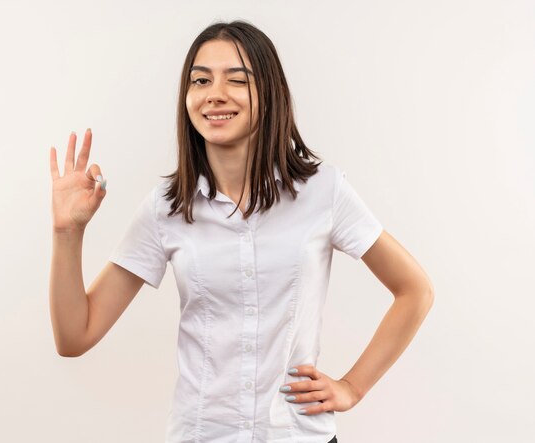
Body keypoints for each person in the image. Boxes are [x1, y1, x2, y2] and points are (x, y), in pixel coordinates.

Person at [49, 20, 434, 443]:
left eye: (237, 80)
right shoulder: (166, 206)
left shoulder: (324, 192)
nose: (215, 93)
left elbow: (415, 290)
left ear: (268, 94)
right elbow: (75, 335)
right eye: (200, 80)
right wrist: (67, 231)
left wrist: (353, 386)